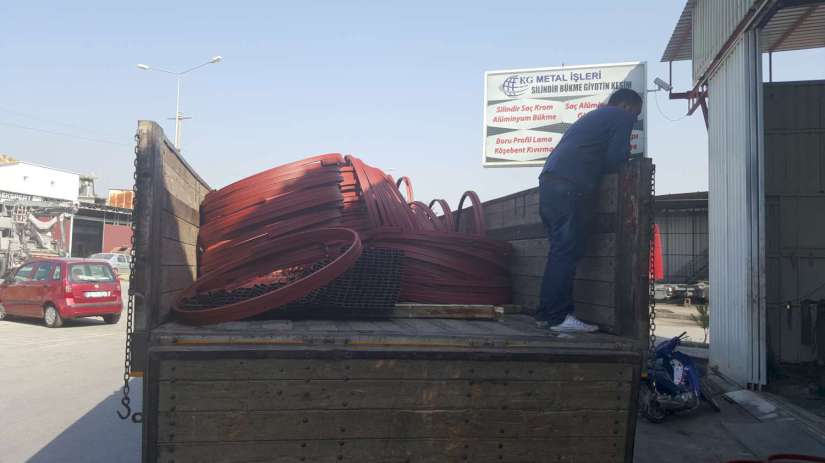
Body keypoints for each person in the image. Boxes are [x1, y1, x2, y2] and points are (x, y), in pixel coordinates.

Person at [537, 88, 643, 333]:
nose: (634, 119)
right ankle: (558, 318)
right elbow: (616, 157)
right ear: (627, 106)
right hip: (570, 186)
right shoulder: (620, 116)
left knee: (559, 252)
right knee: (566, 252)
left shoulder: (592, 118)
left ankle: (546, 315)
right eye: (636, 114)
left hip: (549, 183)